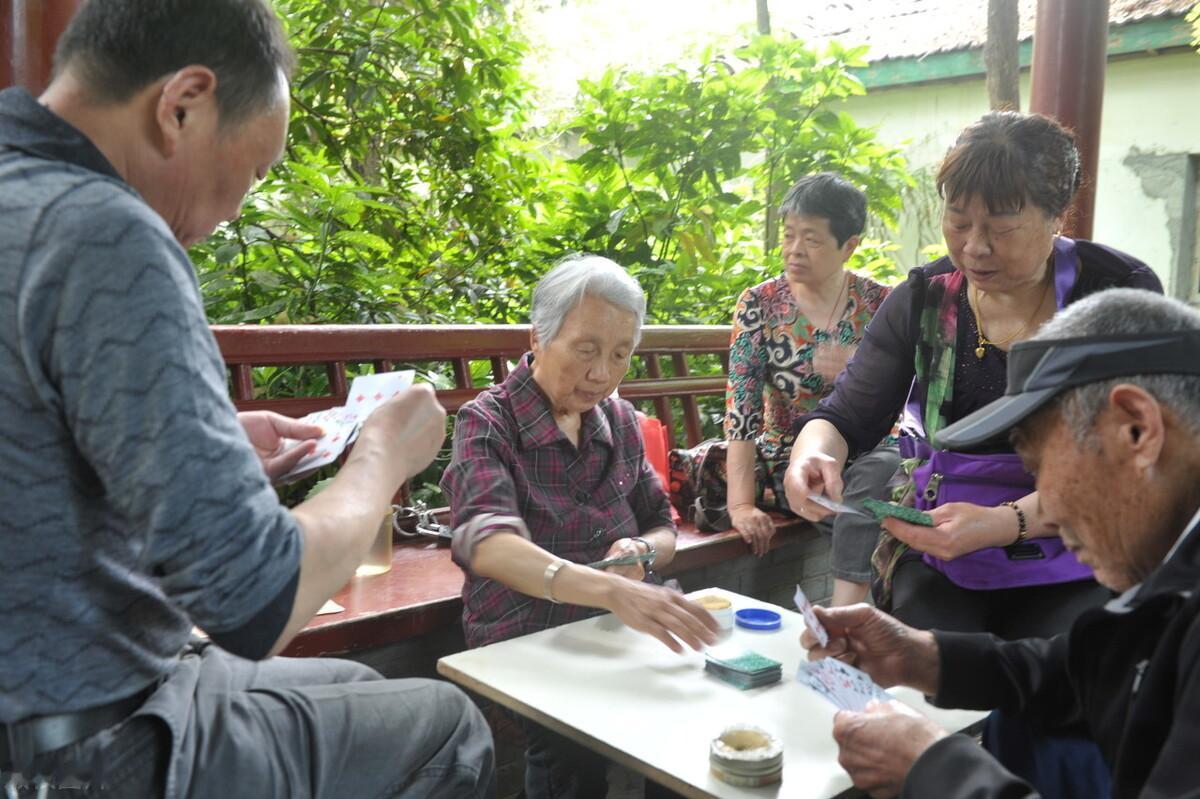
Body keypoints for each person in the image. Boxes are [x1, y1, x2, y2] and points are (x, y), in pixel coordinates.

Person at [0, 2, 492, 797]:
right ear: (182, 104)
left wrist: (212, 435)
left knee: (367, 694)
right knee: (450, 726)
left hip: (58, 695)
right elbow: (255, 600)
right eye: (253, 172)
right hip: (89, 745)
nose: (234, 211)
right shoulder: (103, 230)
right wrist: (379, 459)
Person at [802, 289, 1200, 799]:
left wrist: (937, 770)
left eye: (1038, 472)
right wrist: (918, 655)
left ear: (1136, 431)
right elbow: (1085, 669)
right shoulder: (1171, 568)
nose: (1044, 514)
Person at [784, 112, 1163, 639]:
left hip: (1082, 540)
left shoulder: (1115, 293)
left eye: (1002, 226)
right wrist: (813, 453)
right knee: (930, 656)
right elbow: (846, 416)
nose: (974, 247)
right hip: (942, 543)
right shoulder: (923, 298)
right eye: (958, 221)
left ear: (1057, 215)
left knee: (1078, 652)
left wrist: (1006, 522)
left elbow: (1131, 461)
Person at [441, 254, 720, 799]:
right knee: (572, 748)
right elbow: (487, 544)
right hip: (524, 633)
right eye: (586, 350)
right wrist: (609, 589)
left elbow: (663, 527)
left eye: (620, 355)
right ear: (539, 337)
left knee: (693, 715)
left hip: (616, 627)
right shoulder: (488, 421)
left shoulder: (617, 418)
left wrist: (640, 550)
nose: (602, 373)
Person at [719, 172, 898, 606]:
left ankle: (848, 614)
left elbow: (909, 396)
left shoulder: (882, 304)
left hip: (875, 454)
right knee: (873, 506)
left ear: (849, 245)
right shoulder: (760, 304)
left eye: (812, 239)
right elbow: (741, 410)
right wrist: (741, 506)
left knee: (876, 478)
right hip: (794, 461)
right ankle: (858, 613)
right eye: (789, 235)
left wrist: (859, 372)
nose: (794, 249)